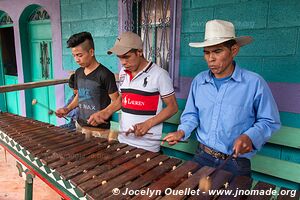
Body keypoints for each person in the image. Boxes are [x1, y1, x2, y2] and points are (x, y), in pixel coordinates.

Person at [163, 19, 281, 177]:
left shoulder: (254, 83)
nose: (210, 58)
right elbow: (192, 114)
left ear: (234, 50)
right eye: (206, 52)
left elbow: (269, 120)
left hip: (235, 162)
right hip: (202, 156)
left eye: (217, 51)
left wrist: (250, 137)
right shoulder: (199, 81)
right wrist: (182, 131)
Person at [89, 31, 178, 152]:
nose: (123, 62)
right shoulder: (123, 73)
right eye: (119, 58)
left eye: (126, 56)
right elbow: (123, 98)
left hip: (147, 146)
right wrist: (106, 112)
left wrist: (148, 124)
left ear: (139, 52)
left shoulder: (160, 75)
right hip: (124, 141)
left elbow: (172, 107)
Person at [56, 31, 119, 137]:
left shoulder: (105, 74)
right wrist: (68, 108)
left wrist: (104, 113)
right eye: (74, 55)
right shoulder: (79, 73)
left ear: (91, 52)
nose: (76, 59)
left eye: (79, 55)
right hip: (80, 125)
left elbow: (117, 101)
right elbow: (80, 95)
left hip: (100, 130)